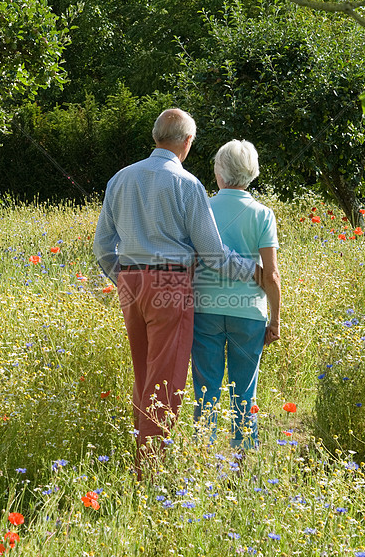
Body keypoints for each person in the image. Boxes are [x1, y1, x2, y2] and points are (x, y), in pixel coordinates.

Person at [93, 109, 263, 478]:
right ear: (187, 143)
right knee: (166, 380)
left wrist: (122, 277)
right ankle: (149, 474)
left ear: (156, 136)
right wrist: (255, 270)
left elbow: (103, 245)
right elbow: (214, 255)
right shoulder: (187, 185)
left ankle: (144, 458)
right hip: (170, 283)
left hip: (130, 282)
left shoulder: (120, 179)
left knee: (144, 376)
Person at [191, 139, 281, 450]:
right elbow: (270, 274)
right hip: (249, 312)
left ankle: (201, 457)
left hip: (205, 310)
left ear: (218, 171)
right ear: (252, 172)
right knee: (245, 391)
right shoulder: (262, 214)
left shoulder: (201, 208)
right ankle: (242, 460)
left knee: (206, 389)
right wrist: (276, 319)